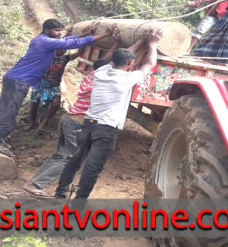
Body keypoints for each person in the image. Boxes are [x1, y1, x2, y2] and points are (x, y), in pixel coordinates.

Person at [22, 30, 149, 197]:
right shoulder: (110, 81)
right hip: (77, 123)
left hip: (68, 119)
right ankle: (36, 184)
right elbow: (120, 61)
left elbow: (115, 59)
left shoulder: (96, 75)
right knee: (70, 160)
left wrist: (129, 43)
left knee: (60, 155)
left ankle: (35, 183)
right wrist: (142, 44)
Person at [54, 30, 163, 201]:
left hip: (88, 124)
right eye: (132, 63)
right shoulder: (126, 79)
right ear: (130, 63)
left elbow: (119, 59)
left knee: (75, 160)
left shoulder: (101, 72)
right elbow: (150, 63)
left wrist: (140, 40)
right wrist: (153, 43)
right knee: (92, 168)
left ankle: (60, 192)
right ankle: (78, 205)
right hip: (106, 130)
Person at [0, 19, 115, 156]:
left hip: (14, 78)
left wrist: (85, 33)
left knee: (5, 110)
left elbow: (67, 39)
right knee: (9, 112)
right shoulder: (46, 42)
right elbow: (71, 43)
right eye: (57, 31)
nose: (59, 33)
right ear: (47, 30)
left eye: (60, 31)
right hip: (19, 80)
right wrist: (104, 35)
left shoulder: (42, 40)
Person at [28, 48, 83, 133]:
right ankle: (33, 123)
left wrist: (85, 40)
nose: (64, 51)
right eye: (62, 49)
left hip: (54, 86)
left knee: (56, 104)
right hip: (41, 83)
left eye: (65, 49)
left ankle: (43, 124)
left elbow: (80, 52)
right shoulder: (47, 55)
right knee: (34, 104)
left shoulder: (65, 58)